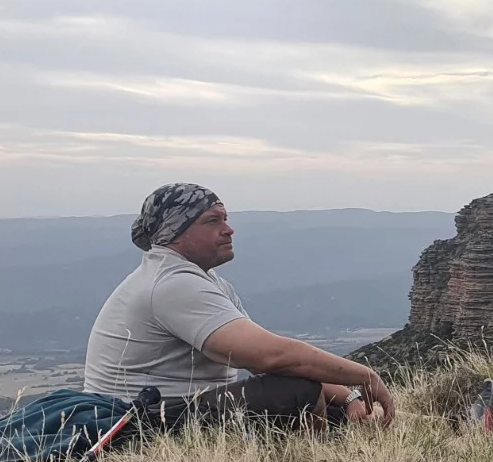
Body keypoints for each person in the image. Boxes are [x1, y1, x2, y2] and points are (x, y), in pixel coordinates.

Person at [83, 183, 397, 431]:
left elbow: (264, 364)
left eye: (226, 219)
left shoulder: (204, 281)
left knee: (327, 402)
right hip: (135, 422)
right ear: (175, 233)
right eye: (213, 221)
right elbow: (273, 356)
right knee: (298, 392)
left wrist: (350, 396)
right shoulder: (172, 284)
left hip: (166, 410)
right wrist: (364, 377)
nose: (228, 230)